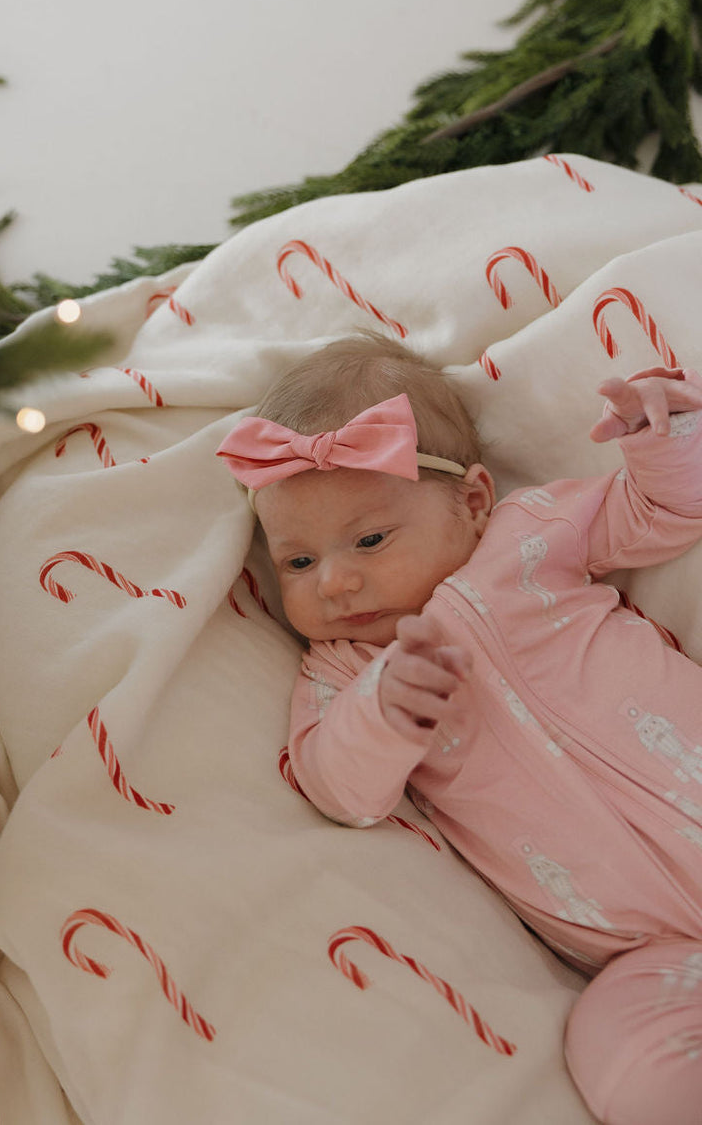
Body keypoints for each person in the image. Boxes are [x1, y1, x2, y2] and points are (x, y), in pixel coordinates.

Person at [216, 333, 702, 1125]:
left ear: (472, 503)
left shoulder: (527, 537)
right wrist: (384, 713)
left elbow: (661, 510)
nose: (334, 581)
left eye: (369, 540)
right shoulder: (343, 672)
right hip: (654, 955)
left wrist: (665, 438)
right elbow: (336, 787)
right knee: (625, 1057)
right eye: (297, 563)